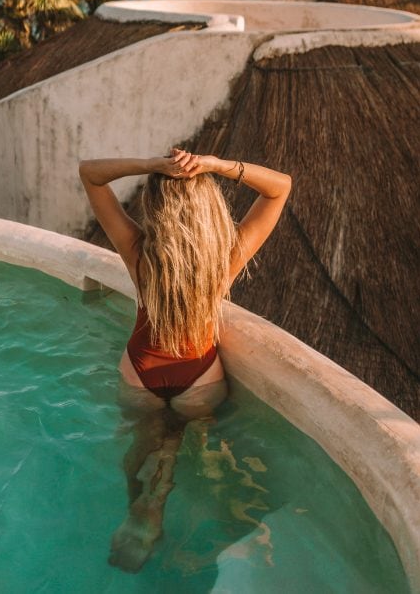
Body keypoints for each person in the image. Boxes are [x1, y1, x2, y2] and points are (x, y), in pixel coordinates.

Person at [78, 148, 291, 572]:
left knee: (143, 443)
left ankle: (142, 510)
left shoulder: (139, 252)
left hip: (141, 373)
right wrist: (218, 165)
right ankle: (172, 498)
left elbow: (91, 175)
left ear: (158, 210)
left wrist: (150, 165)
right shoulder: (224, 260)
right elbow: (280, 188)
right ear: (208, 210)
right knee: (182, 445)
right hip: (200, 378)